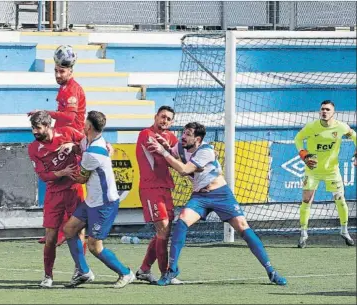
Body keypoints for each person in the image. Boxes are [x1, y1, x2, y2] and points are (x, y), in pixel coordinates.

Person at [147, 122, 287, 286]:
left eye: (188, 134)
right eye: (183, 133)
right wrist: (167, 148)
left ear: (197, 139)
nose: (183, 137)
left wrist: (164, 151)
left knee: (243, 228)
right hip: (200, 195)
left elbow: (184, 170)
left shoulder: (206, 150)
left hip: (221, 194)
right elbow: (174, 155)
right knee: (181, 222)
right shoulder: (180, 146)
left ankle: (271, 271)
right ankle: (172, 270)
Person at [63, 111, 135, 289]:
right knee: (69, 229)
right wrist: (72, 146)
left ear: (88, 127)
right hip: (92, 200)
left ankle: (125, 273)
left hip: (104, 203)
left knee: (94, 246)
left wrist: (62, 173)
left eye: (84, 123)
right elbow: (80, 145)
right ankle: (83, 272)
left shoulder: (93, 153)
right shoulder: (92, 140)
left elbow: (82, 178)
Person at [28, 45, 86, 246]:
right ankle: (57, 229)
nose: (58, 74)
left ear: (71, 71)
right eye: (55, 70)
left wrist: (46, 113)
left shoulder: (72, 90)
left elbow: (70, 117)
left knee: (71, 185)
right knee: (56, 182)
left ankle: (71, 229)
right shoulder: (64, 88)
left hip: (73, 139)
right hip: (62, 139)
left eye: (62, 71)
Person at [28, 111, 85, 288]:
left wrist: (73, 146)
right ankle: (48, 275)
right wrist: (62, 173)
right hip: (54, 194)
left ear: (48, 126)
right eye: (32, 128)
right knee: (50, 237)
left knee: (79, 232)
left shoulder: (68, 132)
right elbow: (44, 175)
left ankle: (80, 270)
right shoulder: (33, 148)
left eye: (37, 128)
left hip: (75, 189)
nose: (34, 132)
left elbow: (87, 144)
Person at [294, 100, 356, 248]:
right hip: (312, 170)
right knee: (306, 200)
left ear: (333, 112)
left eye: (328, 110)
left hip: (332, 171)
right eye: (322, 109)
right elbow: (298, 139)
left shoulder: (340, 127)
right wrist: (303, 153)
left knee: (340, 200)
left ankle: (344, 230)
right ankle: (303, 233)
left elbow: (354, 135)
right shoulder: (311, 127)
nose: (324, 112)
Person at [134, 106, 181, 284]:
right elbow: (169, 158)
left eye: (169, 119)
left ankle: (145, 269)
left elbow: (182, 155)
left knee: (164, 231)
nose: (165, 121)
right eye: (162, 117)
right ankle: (165, 273)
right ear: (155, 117)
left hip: (165, 187)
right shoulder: (145, 134)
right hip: (150, 188)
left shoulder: (171, 137)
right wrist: (172, 151)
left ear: (172, 122)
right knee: (162, 228)